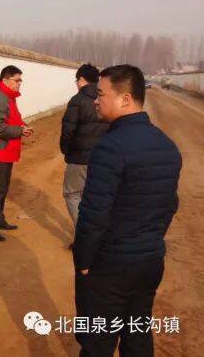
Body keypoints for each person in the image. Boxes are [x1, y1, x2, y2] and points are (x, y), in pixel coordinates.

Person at [74, 65, 181, 356]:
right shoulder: (167, 146)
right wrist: (150, 241)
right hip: (150, 262)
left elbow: (93, 214)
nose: (95, 101)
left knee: (97, 342)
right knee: (137, 335)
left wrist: (83, 260)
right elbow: (169, 206)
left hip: (111, 266)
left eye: (101, 94)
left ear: (125, 99)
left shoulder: (110, 147)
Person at [0, 65, 33, 241]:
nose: (19, 83)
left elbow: (12, 119)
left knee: (1, 190)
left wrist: (22, 126)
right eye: (16, 80)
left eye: (20, 80)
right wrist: (20, 131)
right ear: (5, 80)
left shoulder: (7, 97)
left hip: (5, 152)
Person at [59, 63, 109, 229]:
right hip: (101, 158)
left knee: (72, 194)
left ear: (81, 79)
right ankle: (96, 232)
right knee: (94, 196)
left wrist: (66, 149)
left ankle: (84, 233)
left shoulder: (78, 100)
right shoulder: (105, 99)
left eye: (77, 80)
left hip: (79, 158)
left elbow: (68, 130)